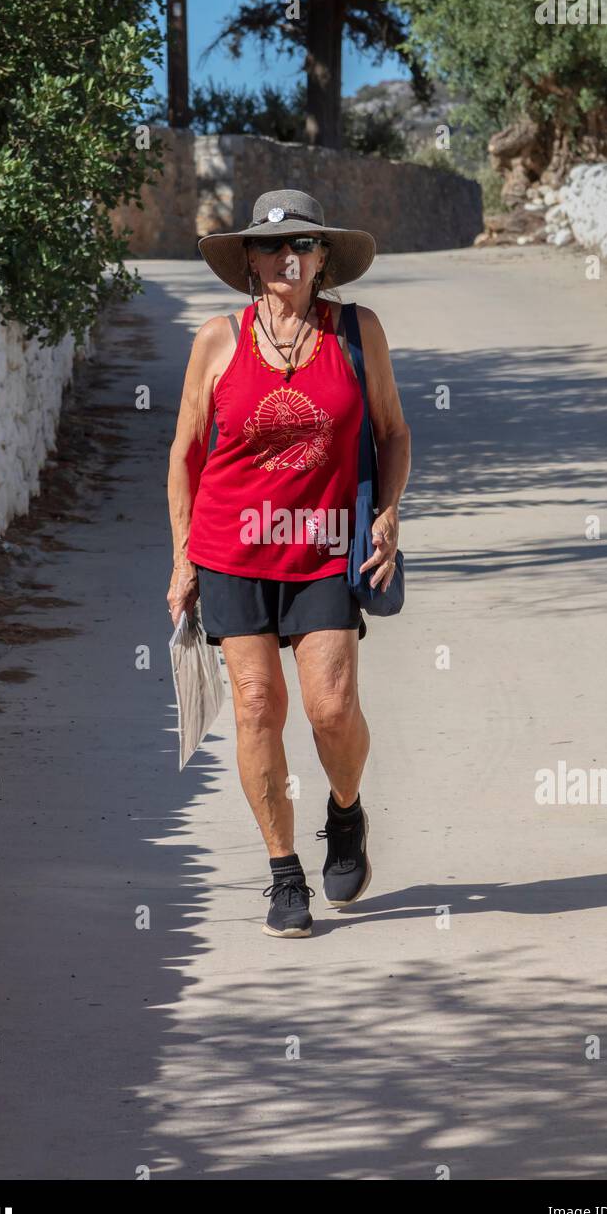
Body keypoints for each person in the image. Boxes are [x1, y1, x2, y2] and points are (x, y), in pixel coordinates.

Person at [166, 189, 410, 937]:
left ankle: (344, 815)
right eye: (271, 247)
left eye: (301, 246)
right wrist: (182, 561)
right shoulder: (216, 340)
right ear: (248, 260)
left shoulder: (356, 333)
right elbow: (185, 455)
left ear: (323, 259)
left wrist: (389, 512)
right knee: (255, 706)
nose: (286, 259)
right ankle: (282, 876)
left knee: (330, 706)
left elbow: (394, 433)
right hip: (232, 550)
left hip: (327, 546)